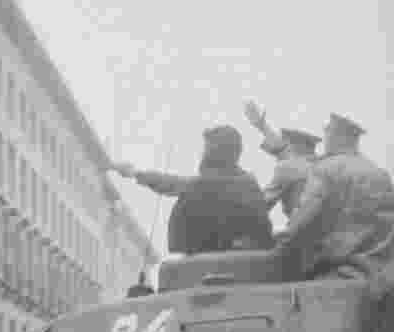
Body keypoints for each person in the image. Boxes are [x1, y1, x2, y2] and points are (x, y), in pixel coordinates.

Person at [111, 125, 273, 254]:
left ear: (211, 152)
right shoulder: (250, 185)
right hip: (247, 262)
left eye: (206, 148)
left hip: (198, 262)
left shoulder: (199, 186)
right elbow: (263, 231)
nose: (202, 152)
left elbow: (168, 183)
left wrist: (134, 173)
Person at [276, 113, 394, 281]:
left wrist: (283, 240)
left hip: (336, 269)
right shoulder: (379, 173)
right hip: (376, 268)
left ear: (339, 136)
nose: (326, 137)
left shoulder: (326, 169)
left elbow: (303, 217)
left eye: (328, 131)